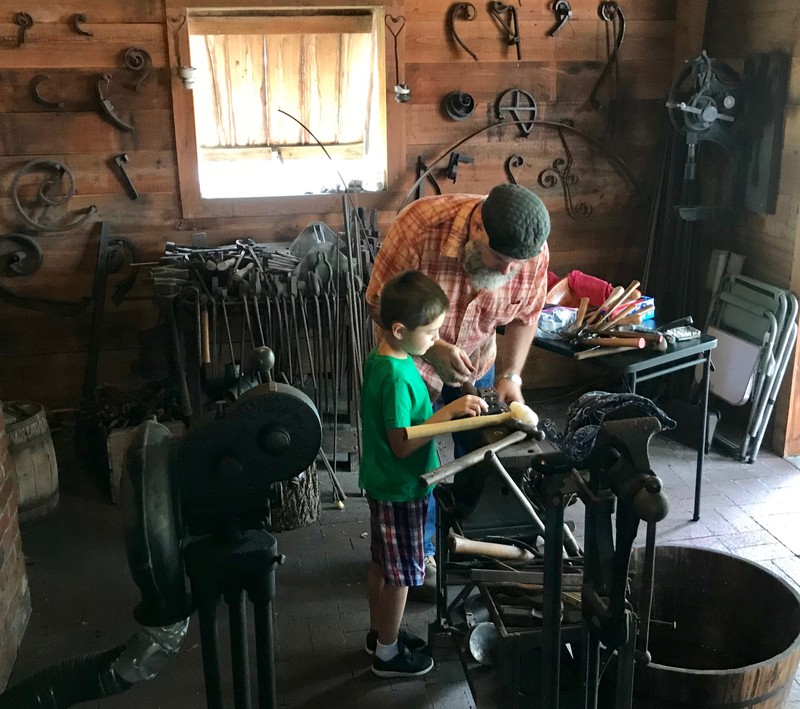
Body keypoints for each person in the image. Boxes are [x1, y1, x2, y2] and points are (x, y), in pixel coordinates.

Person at [365, 183, 551, 594]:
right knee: (417, 463)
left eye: (517, 264)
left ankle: (471, 537)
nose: (507, 272)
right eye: (500, 260)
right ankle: (421, 548)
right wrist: (434, 349)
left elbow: (526, 316)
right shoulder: (420, 226)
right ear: (479, 229)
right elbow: (378, 300)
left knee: (480, 454)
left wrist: (511, 376)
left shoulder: (532, 253)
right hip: (413, 367)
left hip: (478, 361)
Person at [360, 270, 488, 678]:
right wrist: (447, 414)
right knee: (401, 577)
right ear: (399, 329)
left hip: (384, 482)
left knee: (382, 565)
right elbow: (402, 443)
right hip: (401, 487)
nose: (436, 340)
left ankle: (381, 633)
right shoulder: (397, 377)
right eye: (431, 333)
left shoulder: (387, 357)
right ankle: (387, 655)